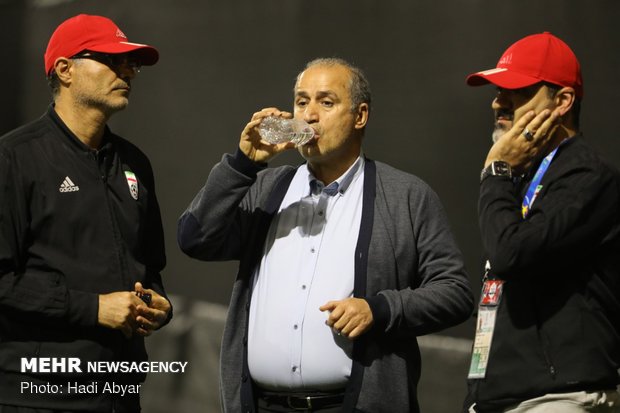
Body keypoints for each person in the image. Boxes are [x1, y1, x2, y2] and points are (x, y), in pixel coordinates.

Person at [178, 57, 473, 413]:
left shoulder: (406, 195)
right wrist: (243, 165)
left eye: (326, 102)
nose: (310, 115)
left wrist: (378, 309)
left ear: (360, 116)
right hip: (263, 405)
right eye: (302, 102)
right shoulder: (267, 188)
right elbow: (195, 237)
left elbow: (454, 293)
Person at [0, 14, 172, 412]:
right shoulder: (13, 158)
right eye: (113, 60)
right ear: (65, 70)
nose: (128, 70)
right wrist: (92, 308)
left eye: (132, 63)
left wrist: (157, 303)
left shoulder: (135, 163)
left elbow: (150, 267)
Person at [464, 32, 620, 412]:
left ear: (563, 101)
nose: (498, 102)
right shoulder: (517, 178)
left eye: (516, 90)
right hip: (498, 394)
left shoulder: (589, 176)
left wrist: (496, 169)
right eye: (497, 90)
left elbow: (510, 254)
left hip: (557, 397)